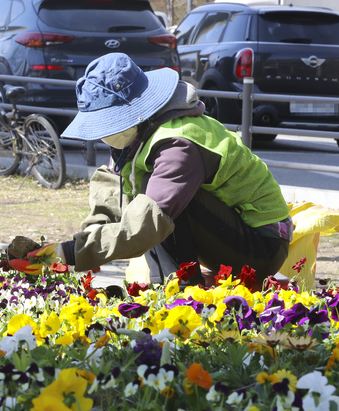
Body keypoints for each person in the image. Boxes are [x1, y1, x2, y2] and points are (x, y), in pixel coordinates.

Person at [55, 53, 291, 285]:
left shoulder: (179, 143)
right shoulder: (137, 133)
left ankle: (181, 293)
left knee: (154, 206)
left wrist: (72, 252)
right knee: (150, 200)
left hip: (263, 247)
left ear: (134, 112)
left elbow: (149, 221)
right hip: (228, 233)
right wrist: (90, 236)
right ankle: (172, 289)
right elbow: (113, 187)